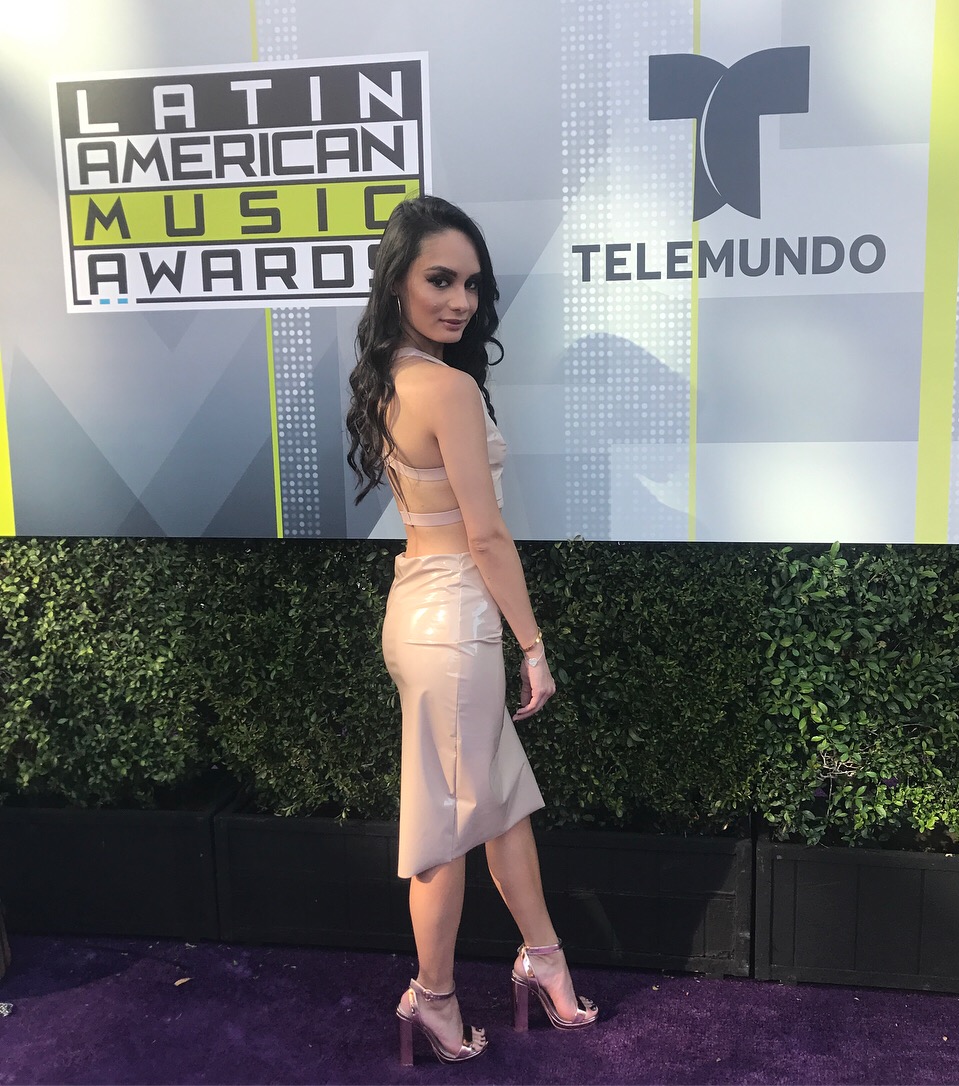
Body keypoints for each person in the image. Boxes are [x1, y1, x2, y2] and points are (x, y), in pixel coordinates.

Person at [345, 195, 598, 1066]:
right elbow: (486, 536)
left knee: (502, 800)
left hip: (423, 610)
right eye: (439, 280)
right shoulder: (447, 387)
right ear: (398, 283)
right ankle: (433, 996)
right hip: (454, 624)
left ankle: (544, 956)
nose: (459, 301)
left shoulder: (392, 376)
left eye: (472, 285)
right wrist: (534, 648)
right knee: (446, 829)